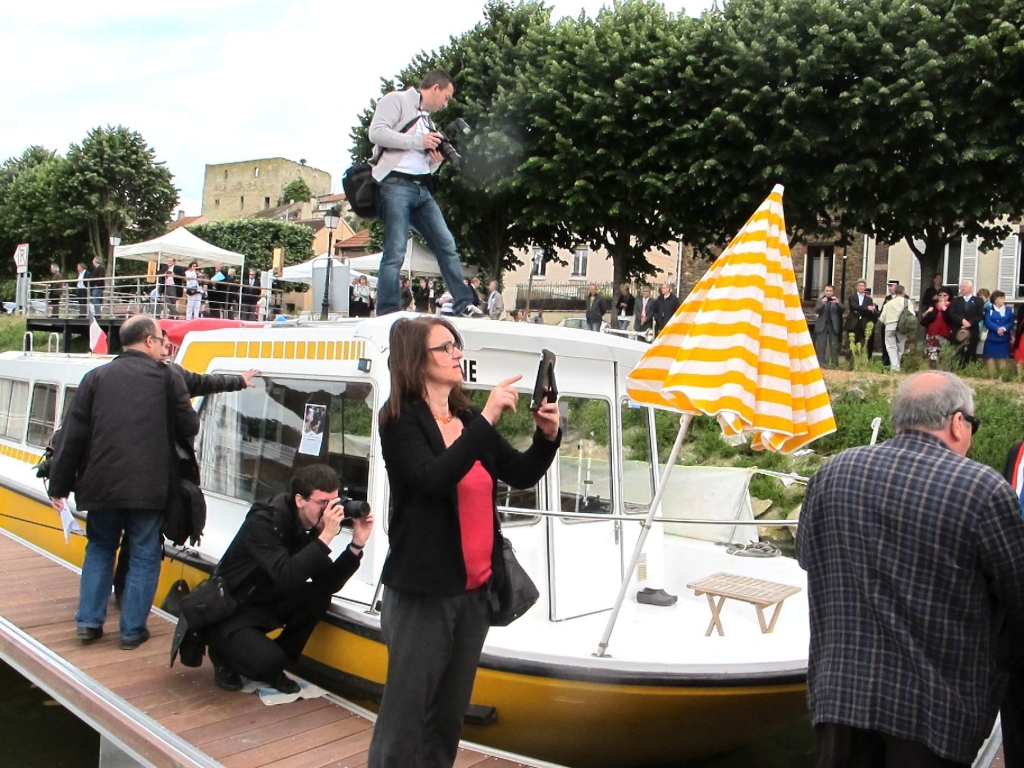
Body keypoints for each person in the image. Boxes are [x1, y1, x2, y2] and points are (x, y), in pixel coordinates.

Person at [796, 371, 1024, 767]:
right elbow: (1018, 593)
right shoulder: (981, 490)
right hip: (934, 712)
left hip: (840, 697)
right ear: (957, 422)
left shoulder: (833, 472)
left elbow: (806, 557)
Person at [367, 317, 560, 768]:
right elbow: (433, 479)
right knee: (405, 718)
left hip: (474, 593)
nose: (457, 353)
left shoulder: (468, 418)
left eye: (457, 345)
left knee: (448, 720)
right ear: (417, 360)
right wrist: (490, 417)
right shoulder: (399, 421)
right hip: (424, 595)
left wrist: (547, 436)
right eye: (445, 347)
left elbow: (521, 473)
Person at [48, 316, 200, 649]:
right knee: (145, 555)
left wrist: (58, 486)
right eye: (161, 340)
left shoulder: (96, 378)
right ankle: (132, 631)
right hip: (149, 487)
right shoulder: (167, 379)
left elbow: (72, 437)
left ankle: (88, 623)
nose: (163, 346)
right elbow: (190, 426)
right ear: (148, 341)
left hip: (100, 485)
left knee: (100, 549)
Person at [204, 464, 373, 694]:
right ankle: (225, 654)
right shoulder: (265, 521)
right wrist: (324, 537)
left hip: (263, 601)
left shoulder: (307, 525)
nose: (330, 510)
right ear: (299, 500)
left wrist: (357, 545)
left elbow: (328, 584)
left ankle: (273, 661)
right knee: (267, 661)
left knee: (318, 597)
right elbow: (287, 576)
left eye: (335, 502)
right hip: (230, 610)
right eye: (323, 503)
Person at [367, 70, 484, 319]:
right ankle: (387, 311)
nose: (446, 103)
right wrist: (418, 142)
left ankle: (463, 304)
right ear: (435, 89)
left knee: (446, 244)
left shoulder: (429, 121)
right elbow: (376, 133)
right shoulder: (396, 100)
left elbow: (425, 163)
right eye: (447, 97)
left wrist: (436, 160)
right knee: (395, 250)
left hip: (422, 188)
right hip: (395, 184)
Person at [946, 279, 985, 368]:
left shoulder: (978, 301)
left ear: (970, 288)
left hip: (972, 330)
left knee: (971, 351)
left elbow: (979, 315)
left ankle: (970, 369)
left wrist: (970, 323)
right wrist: (962, 321)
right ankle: (957, 368)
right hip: (958, 329)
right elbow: (952, 313)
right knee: (958, 351)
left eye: (964, 287)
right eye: (961, 287)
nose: (962, 288)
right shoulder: (956, 301)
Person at [877, 284, 913, 372]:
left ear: (895, 292)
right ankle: (897, 366)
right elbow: (912, 315)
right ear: (903, 292)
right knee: (900, 348)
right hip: (902, 326)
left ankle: (894, 367)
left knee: (890, 347)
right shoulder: (907, 302)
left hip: (889, 326)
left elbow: (882, 318)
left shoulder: (888, 303)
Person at [845, 279, 878, 358]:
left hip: (863, 322)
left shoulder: (869, 299)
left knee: (863, 342)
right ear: (857, 287)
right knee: (852, 342)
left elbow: (870, 311)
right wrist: (866, 308)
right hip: (853, 323)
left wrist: (863, 309)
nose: (861, 287)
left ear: (865, 287)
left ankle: (862, 360)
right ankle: (850, 361)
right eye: (859, 285)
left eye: (862, 286)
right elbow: (853, 307)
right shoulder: (852, 297)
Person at [983, 290, 1014, 374]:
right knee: (990, 357)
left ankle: (1002, 376)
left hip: (1004, 338)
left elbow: (1011, 322)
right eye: (1001, 298)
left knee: (1003, 358)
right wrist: (997, 329)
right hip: (992, 337)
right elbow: (988, 322)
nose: (1003, 300)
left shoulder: (1008, 310)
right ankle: (992, 376)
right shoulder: (988, 309)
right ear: (995, 299)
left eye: (1004, 298)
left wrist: (1004, 328)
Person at [920, 290, 953, 366]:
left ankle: (942, 367)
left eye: (944, 295)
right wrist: (928, 311)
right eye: (940, 295)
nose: (942, 297)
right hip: (933, 332)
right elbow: (923, 317)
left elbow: (952, 317)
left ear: (948, 296)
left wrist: (944, 308)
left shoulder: (951, 306)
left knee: (944, 352)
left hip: (945, 332)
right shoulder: (933, 305)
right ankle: (932, 367)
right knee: (932, 351)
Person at [813, 284, 843, 368]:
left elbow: (843, 309)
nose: (828, 293)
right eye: (827, 291)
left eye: (830, 291)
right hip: (822, 325)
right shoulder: (820, 300)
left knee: (834, 346)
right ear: (824, 291)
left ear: (833, 292)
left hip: (833, 326)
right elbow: (816, 310)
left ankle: (834, 365)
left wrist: (837, 303)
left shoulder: (837, 300)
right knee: (821, 346)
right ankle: (821, 364)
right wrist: (823, 303)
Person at [879, 280, 899, 367]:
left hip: (898, 325)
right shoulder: (887, 298)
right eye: (889, 286)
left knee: (897, 345)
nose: (889, 288)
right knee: (886, 345)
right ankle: (885, 362)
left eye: (891, 286)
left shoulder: (903, 298)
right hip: (887, 324)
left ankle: (896, 364)